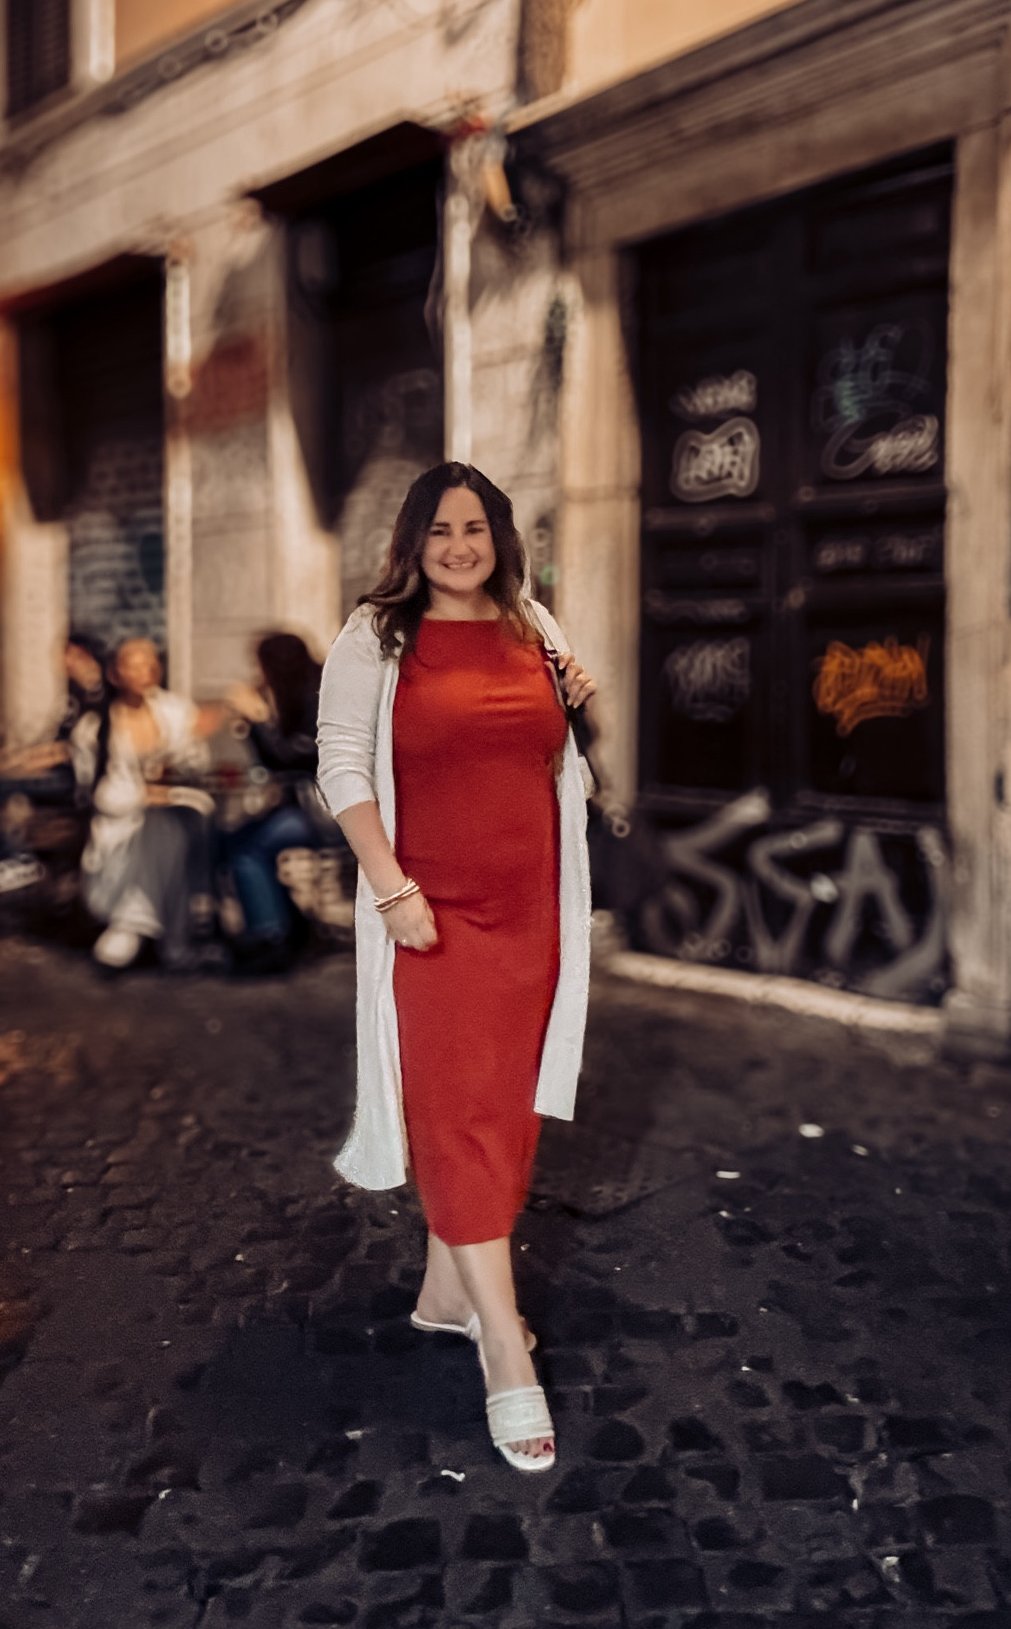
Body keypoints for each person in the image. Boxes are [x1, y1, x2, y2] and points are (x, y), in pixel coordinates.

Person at [317, 461, 595, 1472]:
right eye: (439, 529)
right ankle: (505, 1350)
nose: (459, 544)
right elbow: (341, 762)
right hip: (431, 918)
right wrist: (393, 891)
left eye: (474, 526)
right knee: (457, 1114)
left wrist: (579, 702)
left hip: (532, 918)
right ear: (411, 541)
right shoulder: (374, 636)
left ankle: (446, 1295)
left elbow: (559, 759)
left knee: (508, 1112)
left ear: (499, 536)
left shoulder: (537, 626)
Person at [69, 638, 235, 972]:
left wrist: (177, 770)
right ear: (115, 673)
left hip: (177, 808)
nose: (146, 670)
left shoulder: (175, 712)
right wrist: (142, 796)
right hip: (123, 820)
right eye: (134, 663)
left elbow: (197, 763)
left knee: (180, 825)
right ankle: (150, 930)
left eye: (150, 662)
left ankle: (168, 930)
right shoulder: (94, 729)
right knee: (157, 832)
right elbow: (96, 789)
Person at [221, 631, 341, 974]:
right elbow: (275, 761)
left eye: (259, 665)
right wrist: (253, 724)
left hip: (333, 815)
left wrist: (258, 719)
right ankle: (286, 924)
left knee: (247, 848)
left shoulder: (319, 694)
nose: (257, 674)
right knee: (232, 841)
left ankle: (272, 935)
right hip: (312, 807)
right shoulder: (299, 690)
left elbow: (292, 758)